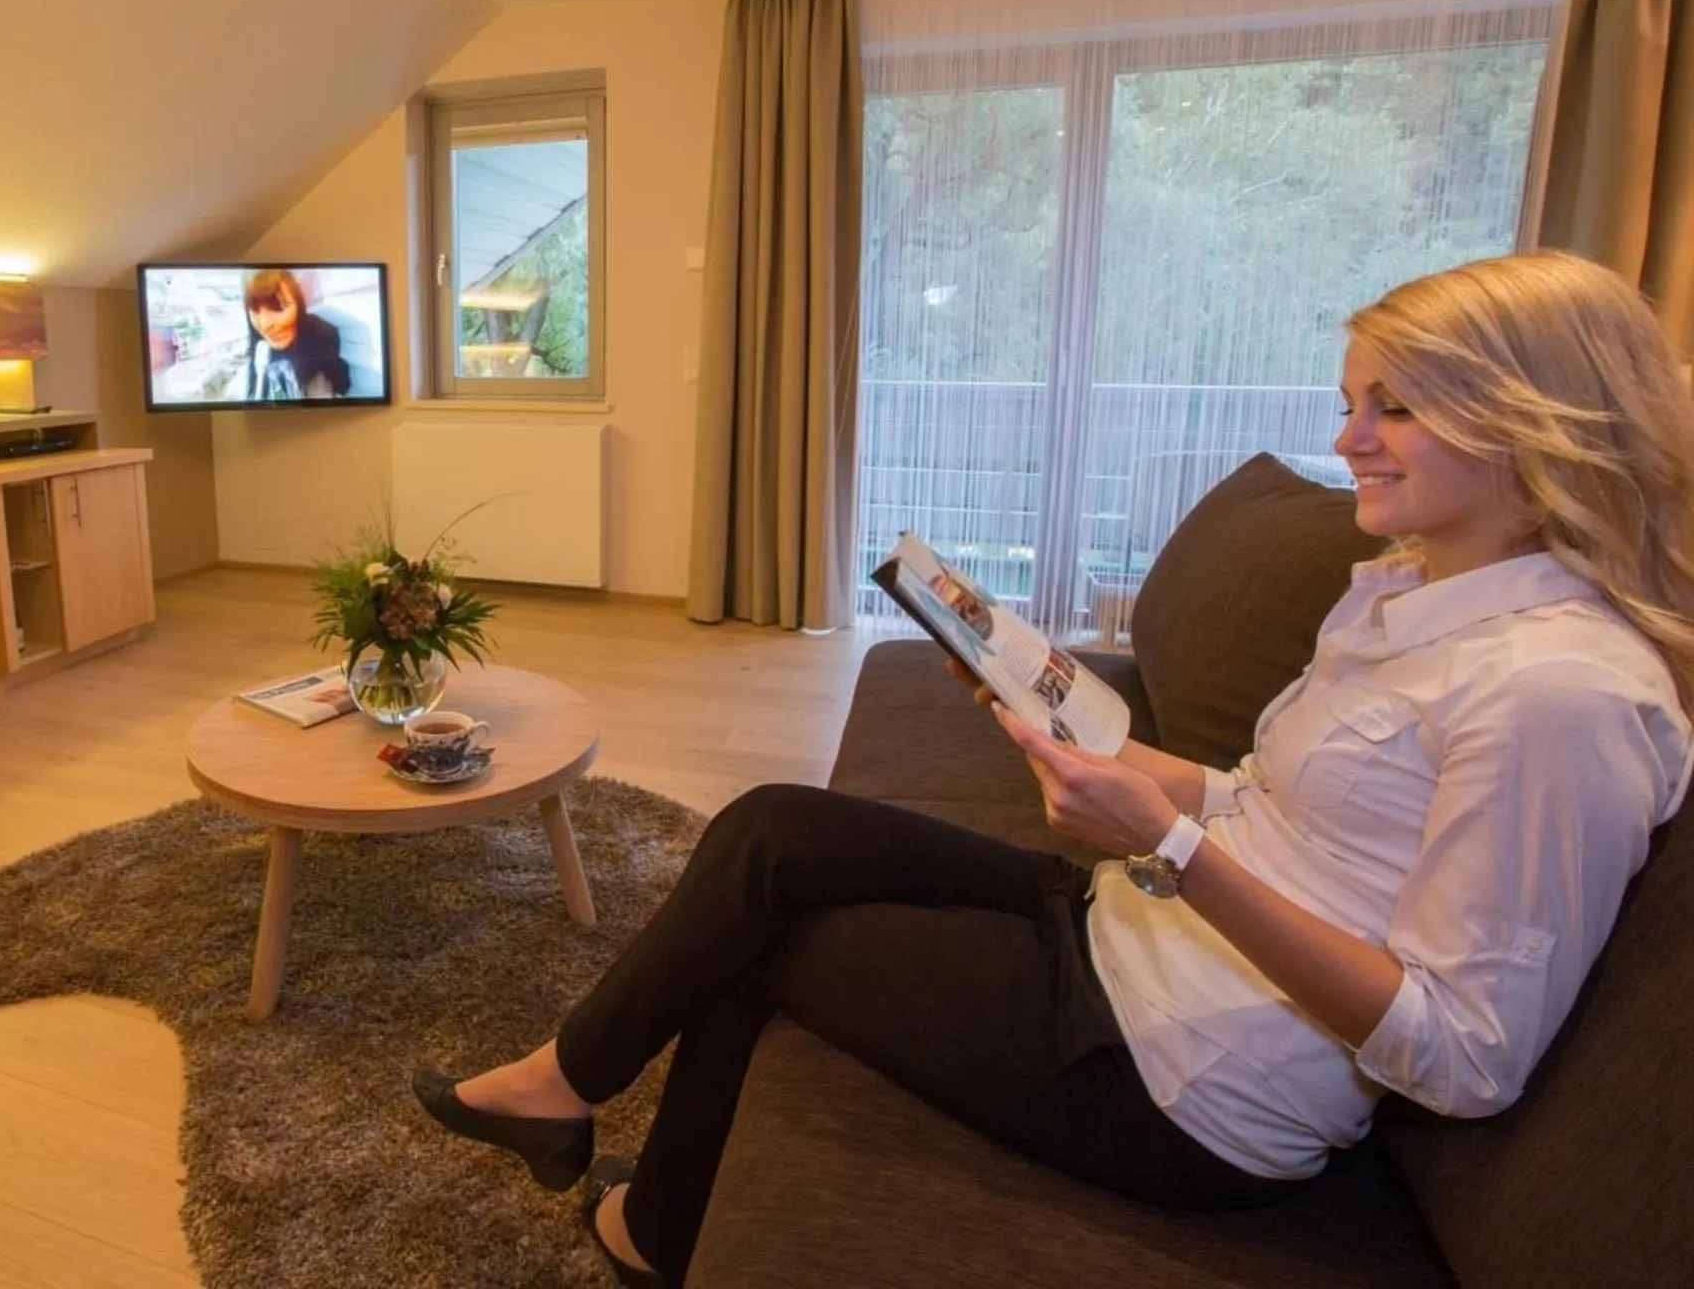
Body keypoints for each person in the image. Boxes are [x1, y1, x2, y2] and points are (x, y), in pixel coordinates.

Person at [413, 251, 1694, 1287]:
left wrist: (1168, 846)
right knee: (773, 834)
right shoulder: (1415, 595)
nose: (1347, 436)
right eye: (1353, 397)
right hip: (1127, 933)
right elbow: (1271, 800)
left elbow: (1465, 1056)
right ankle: (564, 1086)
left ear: (1539, 419)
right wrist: (1090, 732)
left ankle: (657, 1232)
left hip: (1187, 1079)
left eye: (1395, 405)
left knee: (755, 945)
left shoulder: (1560, 696)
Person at [241, 268, 352, 400]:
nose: (265, 324)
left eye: (278, 308)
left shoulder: (324, 335)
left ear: (299, 305)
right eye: (254, 310)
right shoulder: (258, 346)